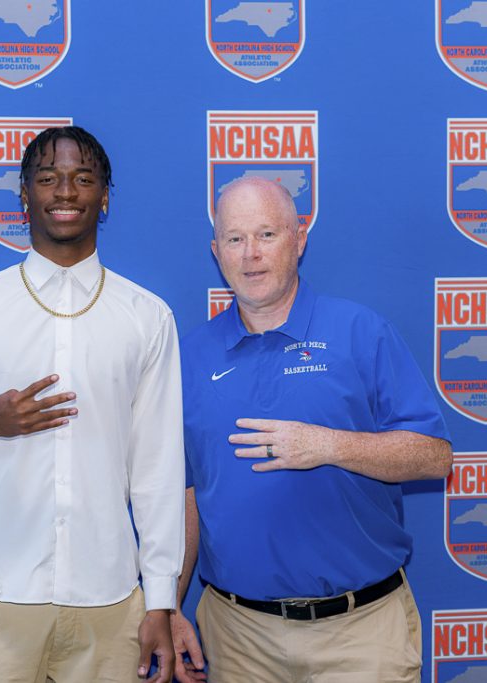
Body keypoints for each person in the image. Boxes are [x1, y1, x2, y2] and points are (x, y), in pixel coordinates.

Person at [0, 126, 183, 683]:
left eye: (84, 178)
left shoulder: (147, 317)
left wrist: (160, 602)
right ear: (24, 196)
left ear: (105, 197)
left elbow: (158, 474)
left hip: (110, 604)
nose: (66, 192)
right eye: (49, 178)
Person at [171, 177, 452, 683]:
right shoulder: (189, 356)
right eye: (235, 239)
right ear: (216, 252)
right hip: (238, 639)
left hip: (359, 634)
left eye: (267, 234)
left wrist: (326, 444)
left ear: (299, 239)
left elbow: (433, 456)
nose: (251, 254)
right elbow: (187, 493)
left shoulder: (361, 333)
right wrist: (170, 606)